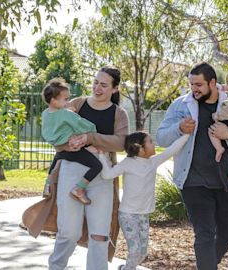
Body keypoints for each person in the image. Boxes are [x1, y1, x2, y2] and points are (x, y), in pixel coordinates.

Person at [156, 62, 228, 270]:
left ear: (212, 83)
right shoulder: (180, 105)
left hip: (226, 181)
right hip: (193, 181)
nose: (194, 89)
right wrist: (179, 127)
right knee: (204, 234)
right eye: (191, 84)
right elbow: (160, 137)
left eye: (199, 84)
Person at [48, 66, 129, 270]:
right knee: (69, 232)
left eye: (103, 85)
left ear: (114, 89)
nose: (97, 88)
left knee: (100, 234)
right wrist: (68, 144)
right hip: (71, 170)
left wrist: (89, 138)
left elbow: (121, 143)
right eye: (95, 82)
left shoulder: (119, 114)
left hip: (102, 175)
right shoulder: (76, 104)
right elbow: (55, 132)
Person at [98, 132, 189, 270]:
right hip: (128, 214)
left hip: (143, 215)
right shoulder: (128, 163)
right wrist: (101, 156)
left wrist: (187, 134)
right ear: (139, 148)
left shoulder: (153, 162)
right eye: (150, 142)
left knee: (142, 253)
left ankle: (125, 268)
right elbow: (107, 175)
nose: (153, 145)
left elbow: (172, 149)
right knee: (134, 252)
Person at [41, 77, 103, 205]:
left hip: (60, 149)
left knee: (56, 160)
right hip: (73, 150)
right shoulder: (65, 114)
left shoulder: (45, 114)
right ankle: (79, 188)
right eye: (65, 99)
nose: (68, 102)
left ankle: (47, 185)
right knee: (97, 166)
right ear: (53, 100)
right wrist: (74, 115)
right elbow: (85, 126)